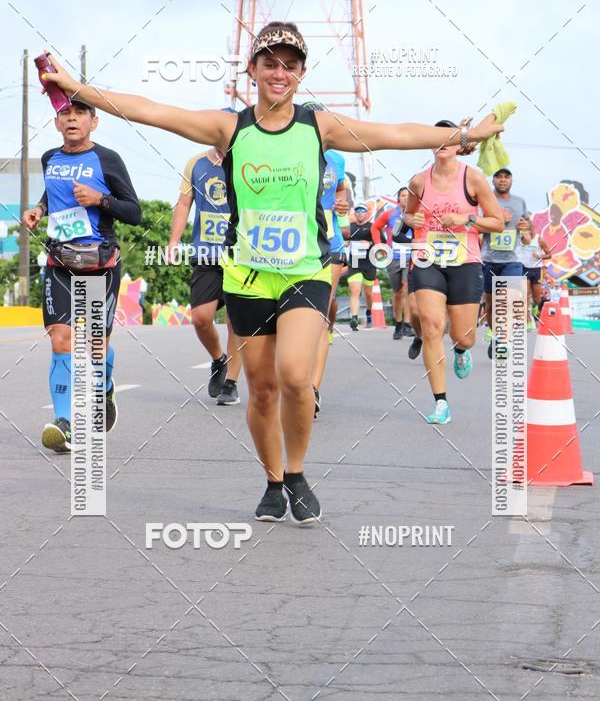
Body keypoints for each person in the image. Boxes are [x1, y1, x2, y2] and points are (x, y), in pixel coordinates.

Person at [41, 25, 502, 517]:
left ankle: (298, 471)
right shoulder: (229, 128)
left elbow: (396, 134)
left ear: (301, 73)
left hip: (304, 272)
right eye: (270, 62)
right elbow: (151, 111)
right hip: (246, 277)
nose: (280, 72)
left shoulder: (318, 127)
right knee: (260, 390)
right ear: (253, 70)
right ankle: (272, 479)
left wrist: (464, 134)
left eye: (290, 64)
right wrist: (76, 88)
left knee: (295, 377)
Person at [22, 97, 141, 452]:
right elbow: (52, 192)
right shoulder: (49, 159)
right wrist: (40, 209)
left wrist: (99, 199)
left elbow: (133, 211)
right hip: (60, 262)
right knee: (61, 338)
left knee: (94, 348)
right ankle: (66, 423)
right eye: (64, 114)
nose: (71, 119)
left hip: (98, 264)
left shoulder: (107, 160)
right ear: (57, 123)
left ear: (94, 121)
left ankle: (103, 387)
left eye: (79, 114)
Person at [404, 120, 504, 424]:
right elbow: (407, 214)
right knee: (432, 327)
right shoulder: (419, 181)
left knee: (464, 336)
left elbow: (497, 221)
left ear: (459, 145)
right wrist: (413, 221)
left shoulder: (473, 179)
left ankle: (462, 350)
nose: (442, 142)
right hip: (427, 259)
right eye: (438, 137)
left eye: (450, 137)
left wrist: (466, 219)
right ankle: (440, 403)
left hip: (465, 261)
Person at [167, 127, 243, 405]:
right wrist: (174, 241)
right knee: (200, 317)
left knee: (237, 319)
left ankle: (231, 383)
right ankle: (218, 359)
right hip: (206, 253)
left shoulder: (246, 160)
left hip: (241, 255)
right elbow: (184, 203)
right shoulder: (197, 164)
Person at [303, 101, 351, 418]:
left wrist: (343, 203)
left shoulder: (336, 158)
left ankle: (312, 390)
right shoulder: (283, 155)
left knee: (319, 317)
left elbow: (342, 191)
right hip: (291, 247)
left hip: (329, 244)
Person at [480, 168, 532, 358]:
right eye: (499, 177)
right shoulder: (485, 200)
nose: (503, 180)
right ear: (493, 180)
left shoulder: (520, 202)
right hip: (489, 259)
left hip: (513, 259)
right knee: (491, 304)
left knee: (508, 298)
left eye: (506, 177)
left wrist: (526, 231)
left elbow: (527, 232)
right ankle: (495, 335)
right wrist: (499, 220)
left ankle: (503, 339)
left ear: (511, 180)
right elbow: (476, 225)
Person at [371, 187, 413, 340]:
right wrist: (379, 246)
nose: (405, 198)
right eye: (402, 195)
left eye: (408, 196)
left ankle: (408, 325)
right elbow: (375, 227)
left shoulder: (415, 215)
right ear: (398, 199)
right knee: (398, 292)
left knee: (407, 288)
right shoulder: (390, 214)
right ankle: (398, 323)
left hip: (410, 256)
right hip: (393, 256)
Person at [346, 204, 377, 330]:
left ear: (366, 213)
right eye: (357, 211)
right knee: (355, 290)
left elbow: (382, 243)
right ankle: (354, 318)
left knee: (369, 293)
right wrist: (345, 241)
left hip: (369, 264)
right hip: (354, 263)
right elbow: (344, 239)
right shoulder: (350, 228)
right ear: (354, 213)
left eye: (362, 211)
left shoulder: (372, 227)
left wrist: (370, 243)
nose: (359, 213)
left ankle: (369, 313)